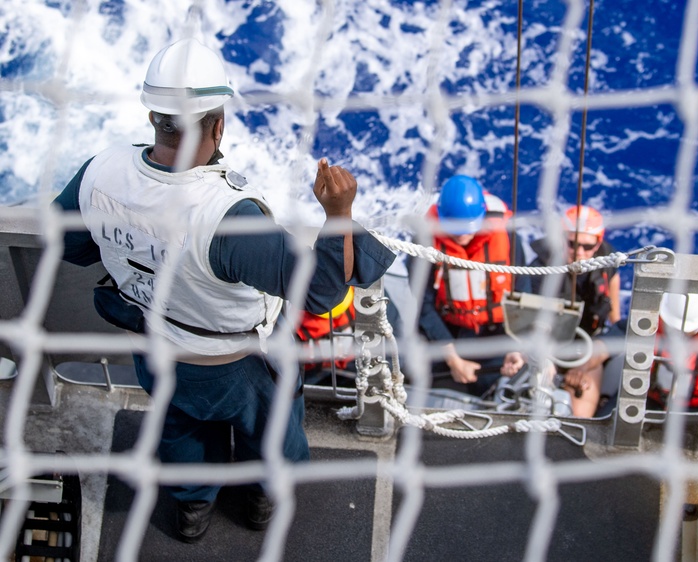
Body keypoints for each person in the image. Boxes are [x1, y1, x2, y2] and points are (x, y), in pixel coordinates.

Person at [52, 38, 395, 543]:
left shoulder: (99, 171)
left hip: (159, 345)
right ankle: (259, 505)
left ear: (154, 118)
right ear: (218, 124)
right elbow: (320, 292)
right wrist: (338, 214)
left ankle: (191, 514)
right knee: (273, 434)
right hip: (238, 363)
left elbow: (72, 245)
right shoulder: (230, 217)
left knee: (181, 426)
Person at [411, 175, 530, 397]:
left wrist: (518, 345)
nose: (463, 235)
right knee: (439, 394)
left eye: (469, 228)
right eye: (456, 229)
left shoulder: (507, 236)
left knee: (512, 389)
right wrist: (453, 359)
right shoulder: (424, 242)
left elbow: (523, 290)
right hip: (449, 335)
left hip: (500, 335)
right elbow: (422, 305)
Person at [509, 205, 622, 417]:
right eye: (571, 244)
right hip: (547, 346)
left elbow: (614, 314)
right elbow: (528, 321)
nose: (579, 252)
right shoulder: (538, 271)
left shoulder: (608, 266)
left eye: (587, 247)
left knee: (580, 411)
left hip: (587, 347)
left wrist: (594, 357)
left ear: (598, 244)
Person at [648, 293, 698, 411]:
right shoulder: (650, 321)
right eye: (673, 326)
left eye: (686, 330)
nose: (679, 333)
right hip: (653, 398)